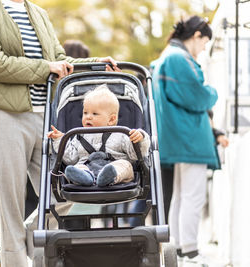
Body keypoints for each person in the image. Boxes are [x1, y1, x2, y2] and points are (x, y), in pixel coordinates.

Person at [0, 1, 118, 266]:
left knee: (62, 192)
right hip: (6, 115)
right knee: (11, 203)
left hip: (45, 118)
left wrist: (94, 63)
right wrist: (43, 68)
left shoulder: (38, 13)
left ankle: (27, 238)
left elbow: (60, 61)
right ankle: (14, 259)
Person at [150, 15, 218, 263]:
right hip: (188, 138)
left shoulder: (167, 56)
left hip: (177, 136)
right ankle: (190, 249)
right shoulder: (179, 58)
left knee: (181, 194)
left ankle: (179, 248)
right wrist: (213, 92)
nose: (202, 50)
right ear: (197, 35)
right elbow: (198, 96)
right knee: (193, 194)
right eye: (204, 43)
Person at [48, 84, 150, 187]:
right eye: (85, 113)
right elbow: (71, 159)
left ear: (111, 120)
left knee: (125, 165)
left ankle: (109, 176)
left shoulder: (120, 134)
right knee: (77, 166)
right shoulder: (79, 135)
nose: (88, 117)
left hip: (114, 165)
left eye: (94, 114)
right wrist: (60, 140)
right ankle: (84, 177)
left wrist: (139, 139)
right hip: (87, 166)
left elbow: (135, 154)